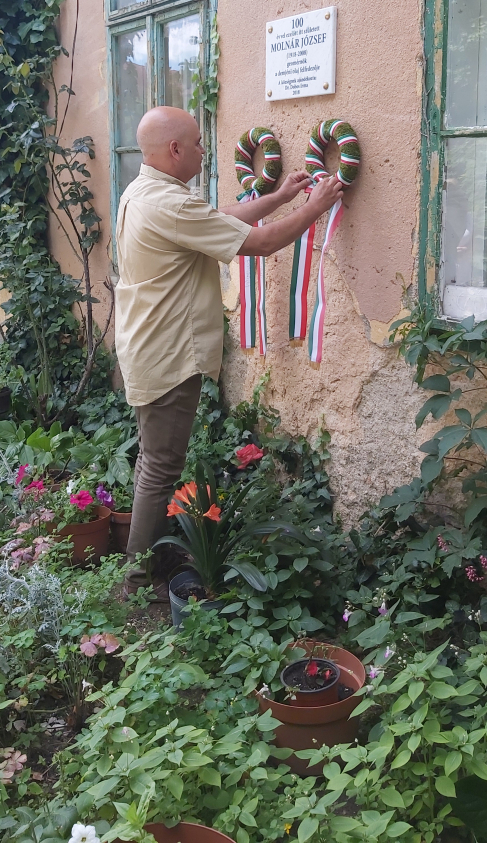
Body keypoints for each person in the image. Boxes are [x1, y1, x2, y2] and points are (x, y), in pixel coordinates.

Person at [114, 106, 343, 600]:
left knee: (155, 462)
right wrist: (315, 206)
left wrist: (280, 196)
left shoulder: (147, 192)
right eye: (196, 143)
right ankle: (138, 580)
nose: (203, 150)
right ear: (175, 150)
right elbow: (259, 244)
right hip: (167, 354)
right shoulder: (169, 204)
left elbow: (218, 222)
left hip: (150, 347)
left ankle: (150, 557)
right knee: (160, 466)